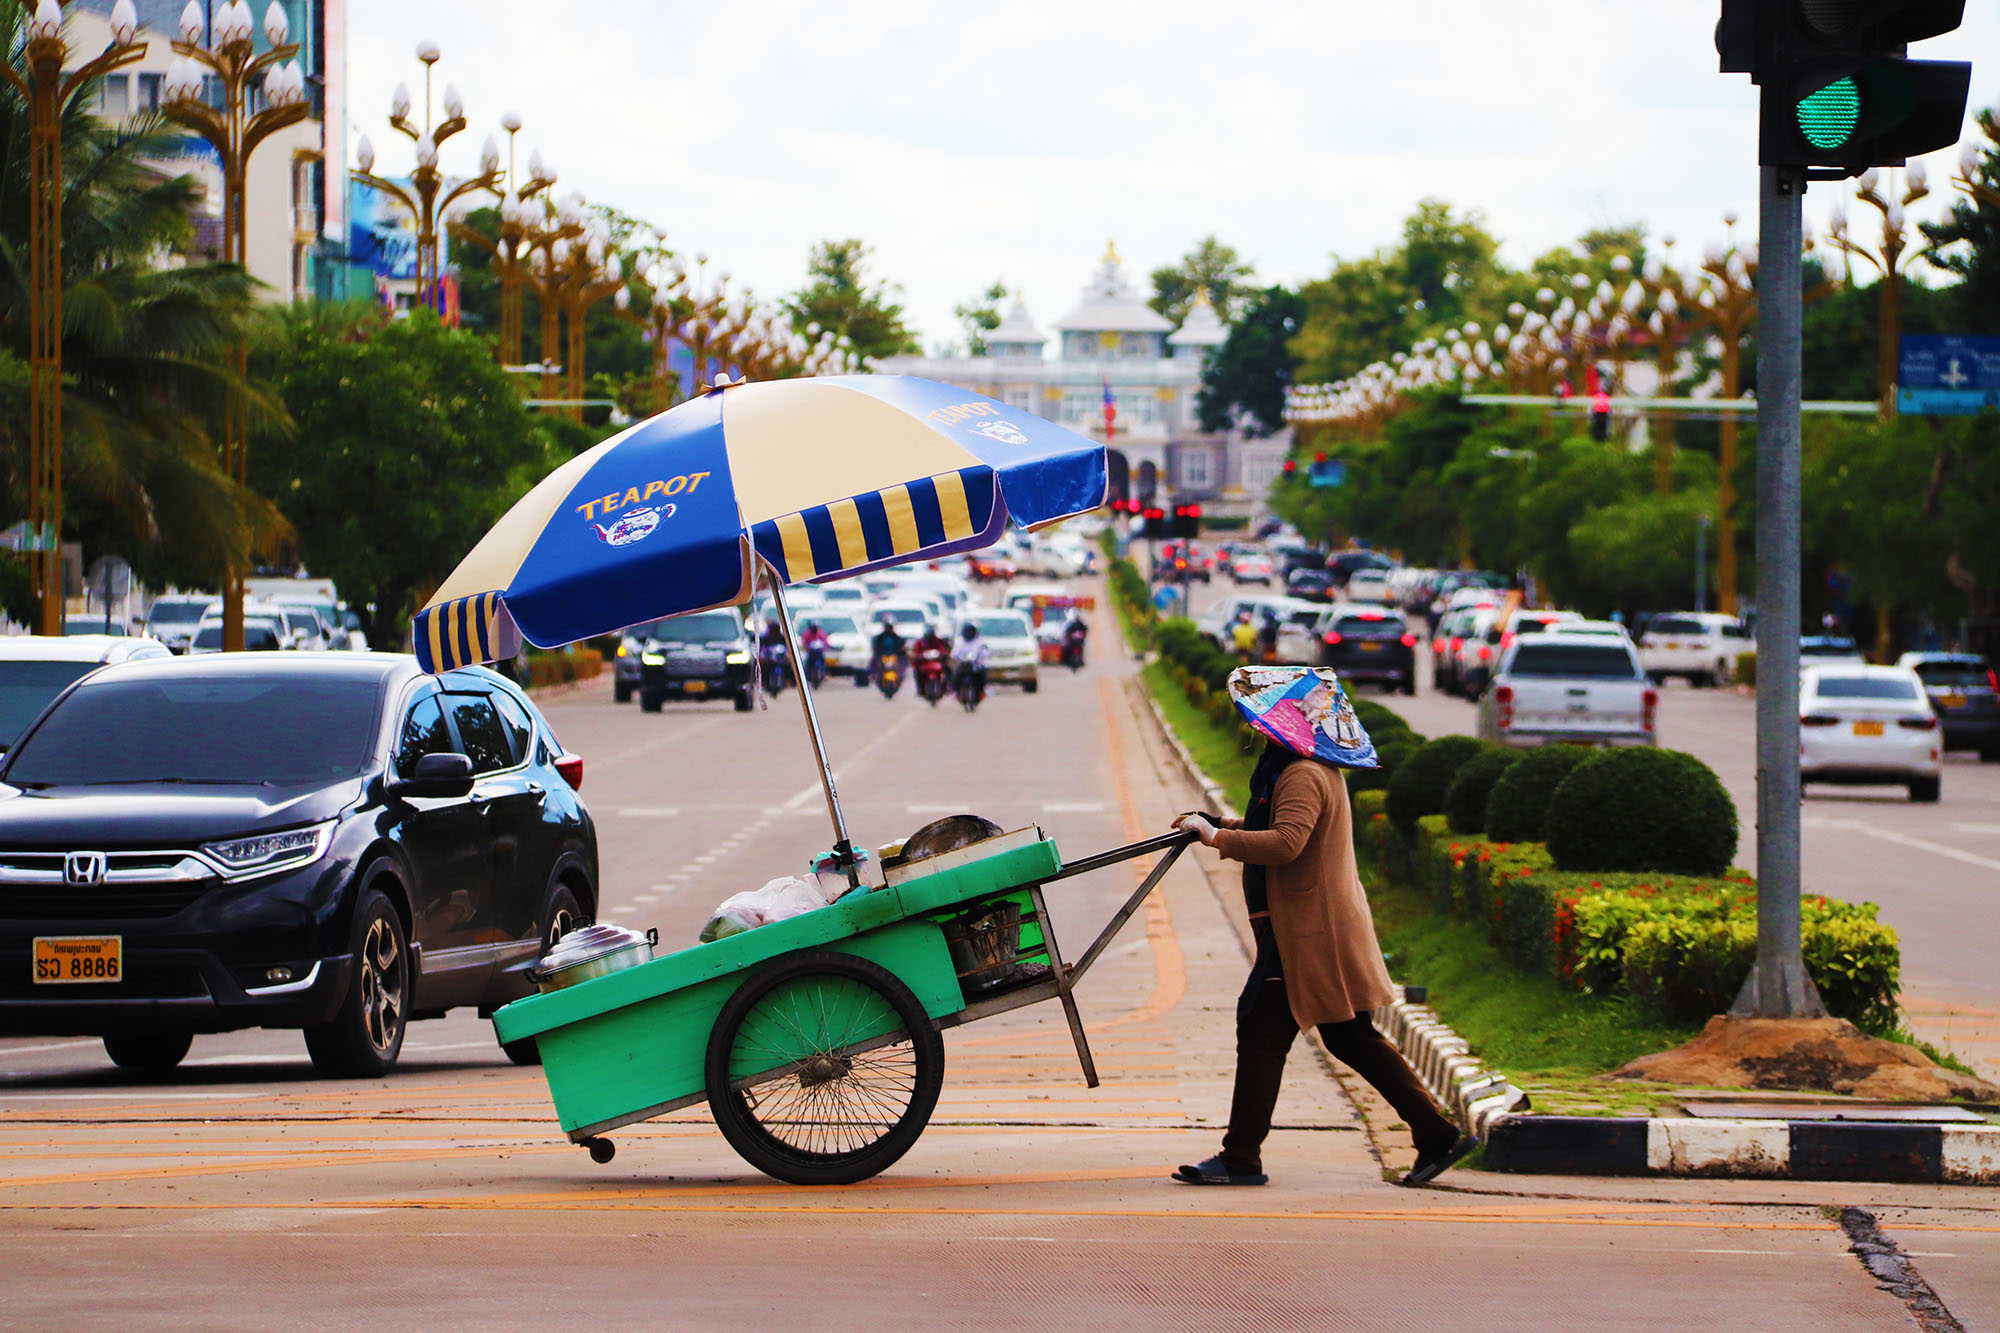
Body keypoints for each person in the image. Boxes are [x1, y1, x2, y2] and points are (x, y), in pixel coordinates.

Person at [1169, 669, 1474, 1190]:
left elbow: (1288, 843)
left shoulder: (1302, 774)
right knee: (1348, 1035)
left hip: (1308, 933)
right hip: (1305, 928)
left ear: (1285, 718)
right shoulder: (1294, 769)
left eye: (1263, 716)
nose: (1256, 726)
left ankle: (1242, 1157)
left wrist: (1218, 836)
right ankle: (1436, 1134)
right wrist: (1219, 828)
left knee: (1265, 1028)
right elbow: (1280, 831)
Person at [951, 621, 989, 699]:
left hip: (976, 665)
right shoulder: (960, 642)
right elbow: (954, 653)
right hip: (963, 665)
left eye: (970, 631)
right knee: (956, 675)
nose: (969, 633)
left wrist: (980, 656)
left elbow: (985, 652)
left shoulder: (980, 641)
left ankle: (982, 690)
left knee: (982, 675)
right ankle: (956, 692)